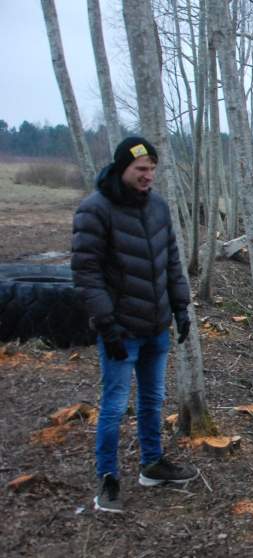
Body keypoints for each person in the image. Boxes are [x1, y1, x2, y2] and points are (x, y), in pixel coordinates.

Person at [72, 136, 198, 513]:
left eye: (152, 170)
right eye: (141, 170)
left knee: (152, 399)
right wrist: (106, 324)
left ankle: (153, 464)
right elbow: (86, 272)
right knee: (113, 406)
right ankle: (108, 479)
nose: (148, 177)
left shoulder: (157, 207)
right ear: (121, 168)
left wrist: (180, 308)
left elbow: (171, 261)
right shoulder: (95, 210)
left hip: (156, 325)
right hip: (120, 331)